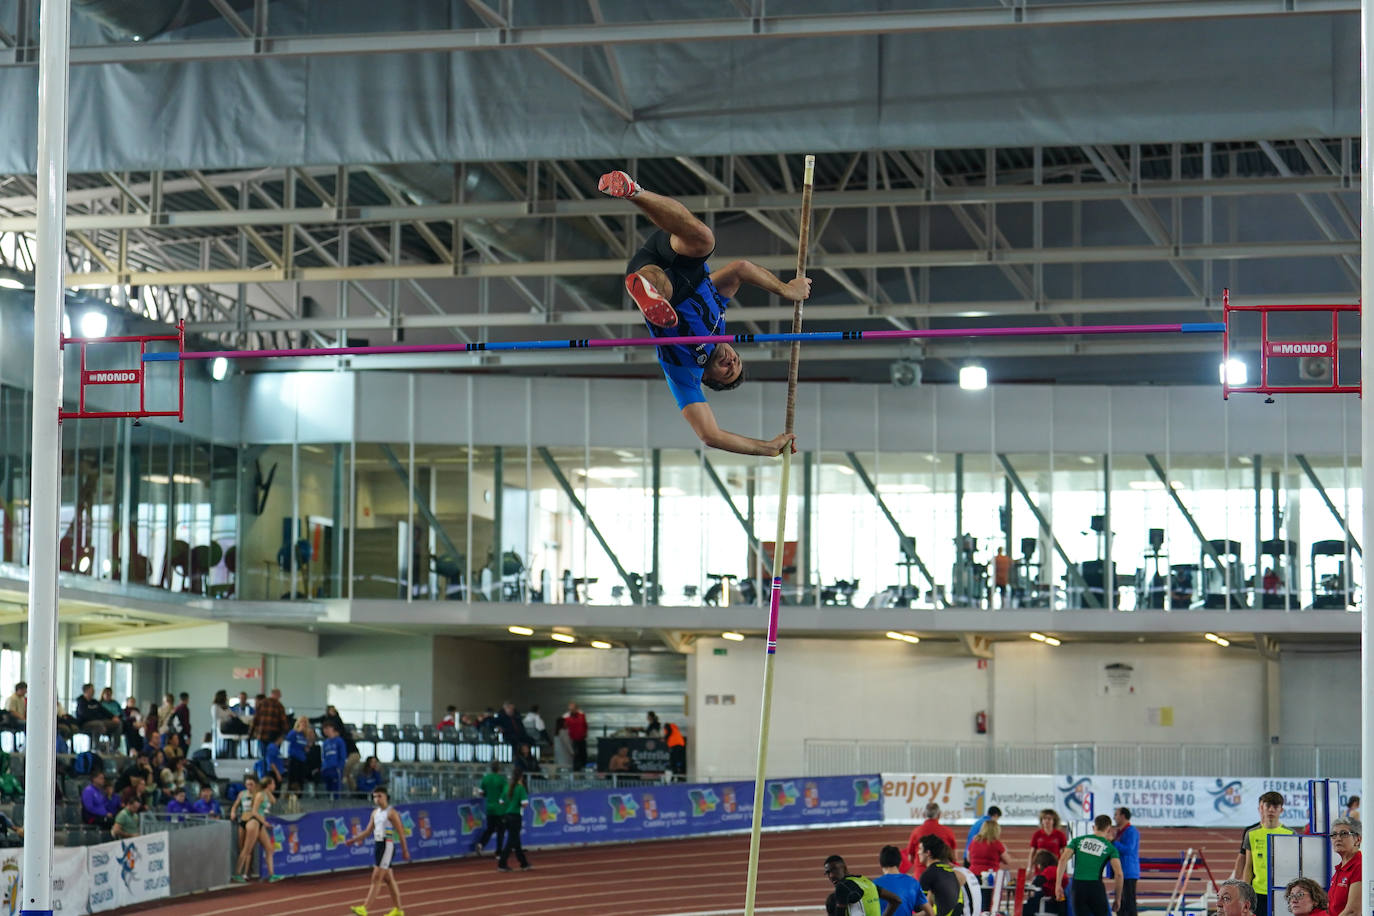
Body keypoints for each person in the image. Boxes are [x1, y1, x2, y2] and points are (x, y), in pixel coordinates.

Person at [598, 169, 809, 456]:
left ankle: (645, 289)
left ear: (707, 378)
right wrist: (786, 289)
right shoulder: (719, 315)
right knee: (703, 239)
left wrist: (766, 449)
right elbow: (741, 269)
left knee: (658, 283)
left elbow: (710, 435)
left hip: (663, 283)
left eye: (726, 372)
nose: (731, 361)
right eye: (736, 361)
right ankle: (633, 191)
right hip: (683, 262)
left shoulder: (684, 373)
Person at [346, 786, 409, 916]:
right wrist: (354, 840)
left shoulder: (391, 813)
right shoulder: (375, 813)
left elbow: (401, 832)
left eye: (379, 796)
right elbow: (368, 831)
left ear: (386, 796)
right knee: (389, 879)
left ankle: (365, 908)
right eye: (374, 796)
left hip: (387, 845)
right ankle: (398, 910)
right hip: (378, 845)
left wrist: (405, 850)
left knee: (376, 877)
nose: (377, 799)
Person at [1056, 814, 1122, 916]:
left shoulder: (1077, 841)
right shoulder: (1111, 848)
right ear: (1108, 829)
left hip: (1077, 887)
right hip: (1095, 887)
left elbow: (1062, 860)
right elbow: (1119, 875)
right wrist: (1117, 899)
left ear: (1093, 827)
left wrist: (1058, 885)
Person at [1242, 791, 1293, 916]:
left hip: (1282, 891)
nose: (1271, 810)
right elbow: (1248, 866)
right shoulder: (1251, 834)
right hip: (1257, 892)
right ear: (1261, 808)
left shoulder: (1290, 834)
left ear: (1281, 810)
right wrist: (1244, 893)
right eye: (1268, 806)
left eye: (1275, 807)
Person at [234, 772, 281, 883]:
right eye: (273, 783)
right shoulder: (260, 795)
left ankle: (272, 875)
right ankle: (237, 873)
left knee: (269, 848)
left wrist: (268, 791)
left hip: (259, 823)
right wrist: (264, 822)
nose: (275, 786)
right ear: (269, 784)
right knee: (246, 849)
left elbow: (274, 801)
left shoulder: (265, 793)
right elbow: (254, 812)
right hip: (254, 822)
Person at [824, 853, 902, 916]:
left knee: (831, 901)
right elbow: (896, 900)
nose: (831, 876)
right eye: (828, 873)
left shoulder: (842, 887)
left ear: (844, 868)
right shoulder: (866, 881)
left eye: (834, 870)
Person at [873, 845, 933, 916]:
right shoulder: (913, 883)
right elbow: (930, 913)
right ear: (900, 862)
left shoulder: (874, 885)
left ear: (881, 863)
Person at [907, 803, 958, 879]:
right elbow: (954, 857)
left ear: (924, 814)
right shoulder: (948, 832)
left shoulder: (916, 831)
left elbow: (910, 858)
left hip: (921, 873)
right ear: (939, 814)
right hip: (943, 874)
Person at [917, 837, 964, 916]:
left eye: (920, 849)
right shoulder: (949, 870)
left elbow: (918, 907)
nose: (918, 852)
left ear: (928, 853)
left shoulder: (929, 873)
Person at [496, 768, 532, 872]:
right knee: (512, 841)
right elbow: (525, 803)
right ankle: (502, 863)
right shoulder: (520, 788)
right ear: (521, 777)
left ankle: (523, 863)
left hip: (507, 816)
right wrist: (518, 804)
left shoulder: (507, 786)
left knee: (516, 841)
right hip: (516, 816)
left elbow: (501, 801)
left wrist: (509, 805)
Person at [1326, 816, 1362, 916]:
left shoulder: (1360, 866)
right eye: (1334, 835)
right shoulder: (1340, 868)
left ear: (1358, 840)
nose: (1338, 838)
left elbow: (1353, 912)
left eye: (1344, 834)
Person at [471, 762, 507, 856]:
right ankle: (499, 852)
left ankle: (481, 844)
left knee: (490, 829)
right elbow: (505, 794)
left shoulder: (486, 778)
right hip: (500, 809)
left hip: (490, 808)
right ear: (499, 769)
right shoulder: (502, 780)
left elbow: (482, 793)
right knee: (501, 831)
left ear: (491, 768)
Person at [1111, 807, 1140, 916]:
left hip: (1128, 872)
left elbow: (1129, 849)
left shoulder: (1131, 831)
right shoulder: (1120, 832)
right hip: (1122, 871)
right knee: (1121, 904)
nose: (1114, 817)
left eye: (1116, 814)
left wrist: (1113, 841)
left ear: (1123, 816)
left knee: (1129, 903)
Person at [251, 690, 288, 758]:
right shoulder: (279, 706)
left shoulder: (261, 703)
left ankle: (264, 767)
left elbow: (255, 719)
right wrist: (284, 734)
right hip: (275, 735)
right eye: (279, 696)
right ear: (277, 695)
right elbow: (284, 722)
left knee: (264, 755)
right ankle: (270, 768)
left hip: (262, 734)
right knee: (273, 756)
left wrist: (251, 733)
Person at [1024, 850, 1061, 916]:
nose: (1038, 867)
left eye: (1038, 864)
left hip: (1049, 903)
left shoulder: (1050, 869)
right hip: (1057, 903)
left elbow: (1037, 882)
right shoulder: (1057, 869)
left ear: (1042, 863)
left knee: (1024, 908)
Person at [284, 716, 314, 790]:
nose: (303, 724)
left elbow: (306, 746)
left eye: (305, 723)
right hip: (294, 758)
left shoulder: (304, 736)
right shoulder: (293, 732)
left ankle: (299, 794)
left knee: (300, 779)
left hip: (302, 759)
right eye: (302, 722)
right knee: (292, 779)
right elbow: (287, 741)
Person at [320, 722, 347, 796]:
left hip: (335, 769)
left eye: (328, 728)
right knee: (328, 791)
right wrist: (323, 767)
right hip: (327, 769)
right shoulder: (325, 743)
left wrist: (339, 767)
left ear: (333, 728)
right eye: (324, 729)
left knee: (336, 791)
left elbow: (342, 755)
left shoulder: (339, 741)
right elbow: (323, 756)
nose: (326, 730)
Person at [565, 702, 588, 771]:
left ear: (577, 709)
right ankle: (576, 770)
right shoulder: (566, 717)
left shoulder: (582, 716)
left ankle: (583, 768)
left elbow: (585, 725)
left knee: (583, 754)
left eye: (573, 709)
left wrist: (585, 733)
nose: (572, 710)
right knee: (575, 755)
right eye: (570, 709)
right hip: (573, 739)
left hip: (581, 738)